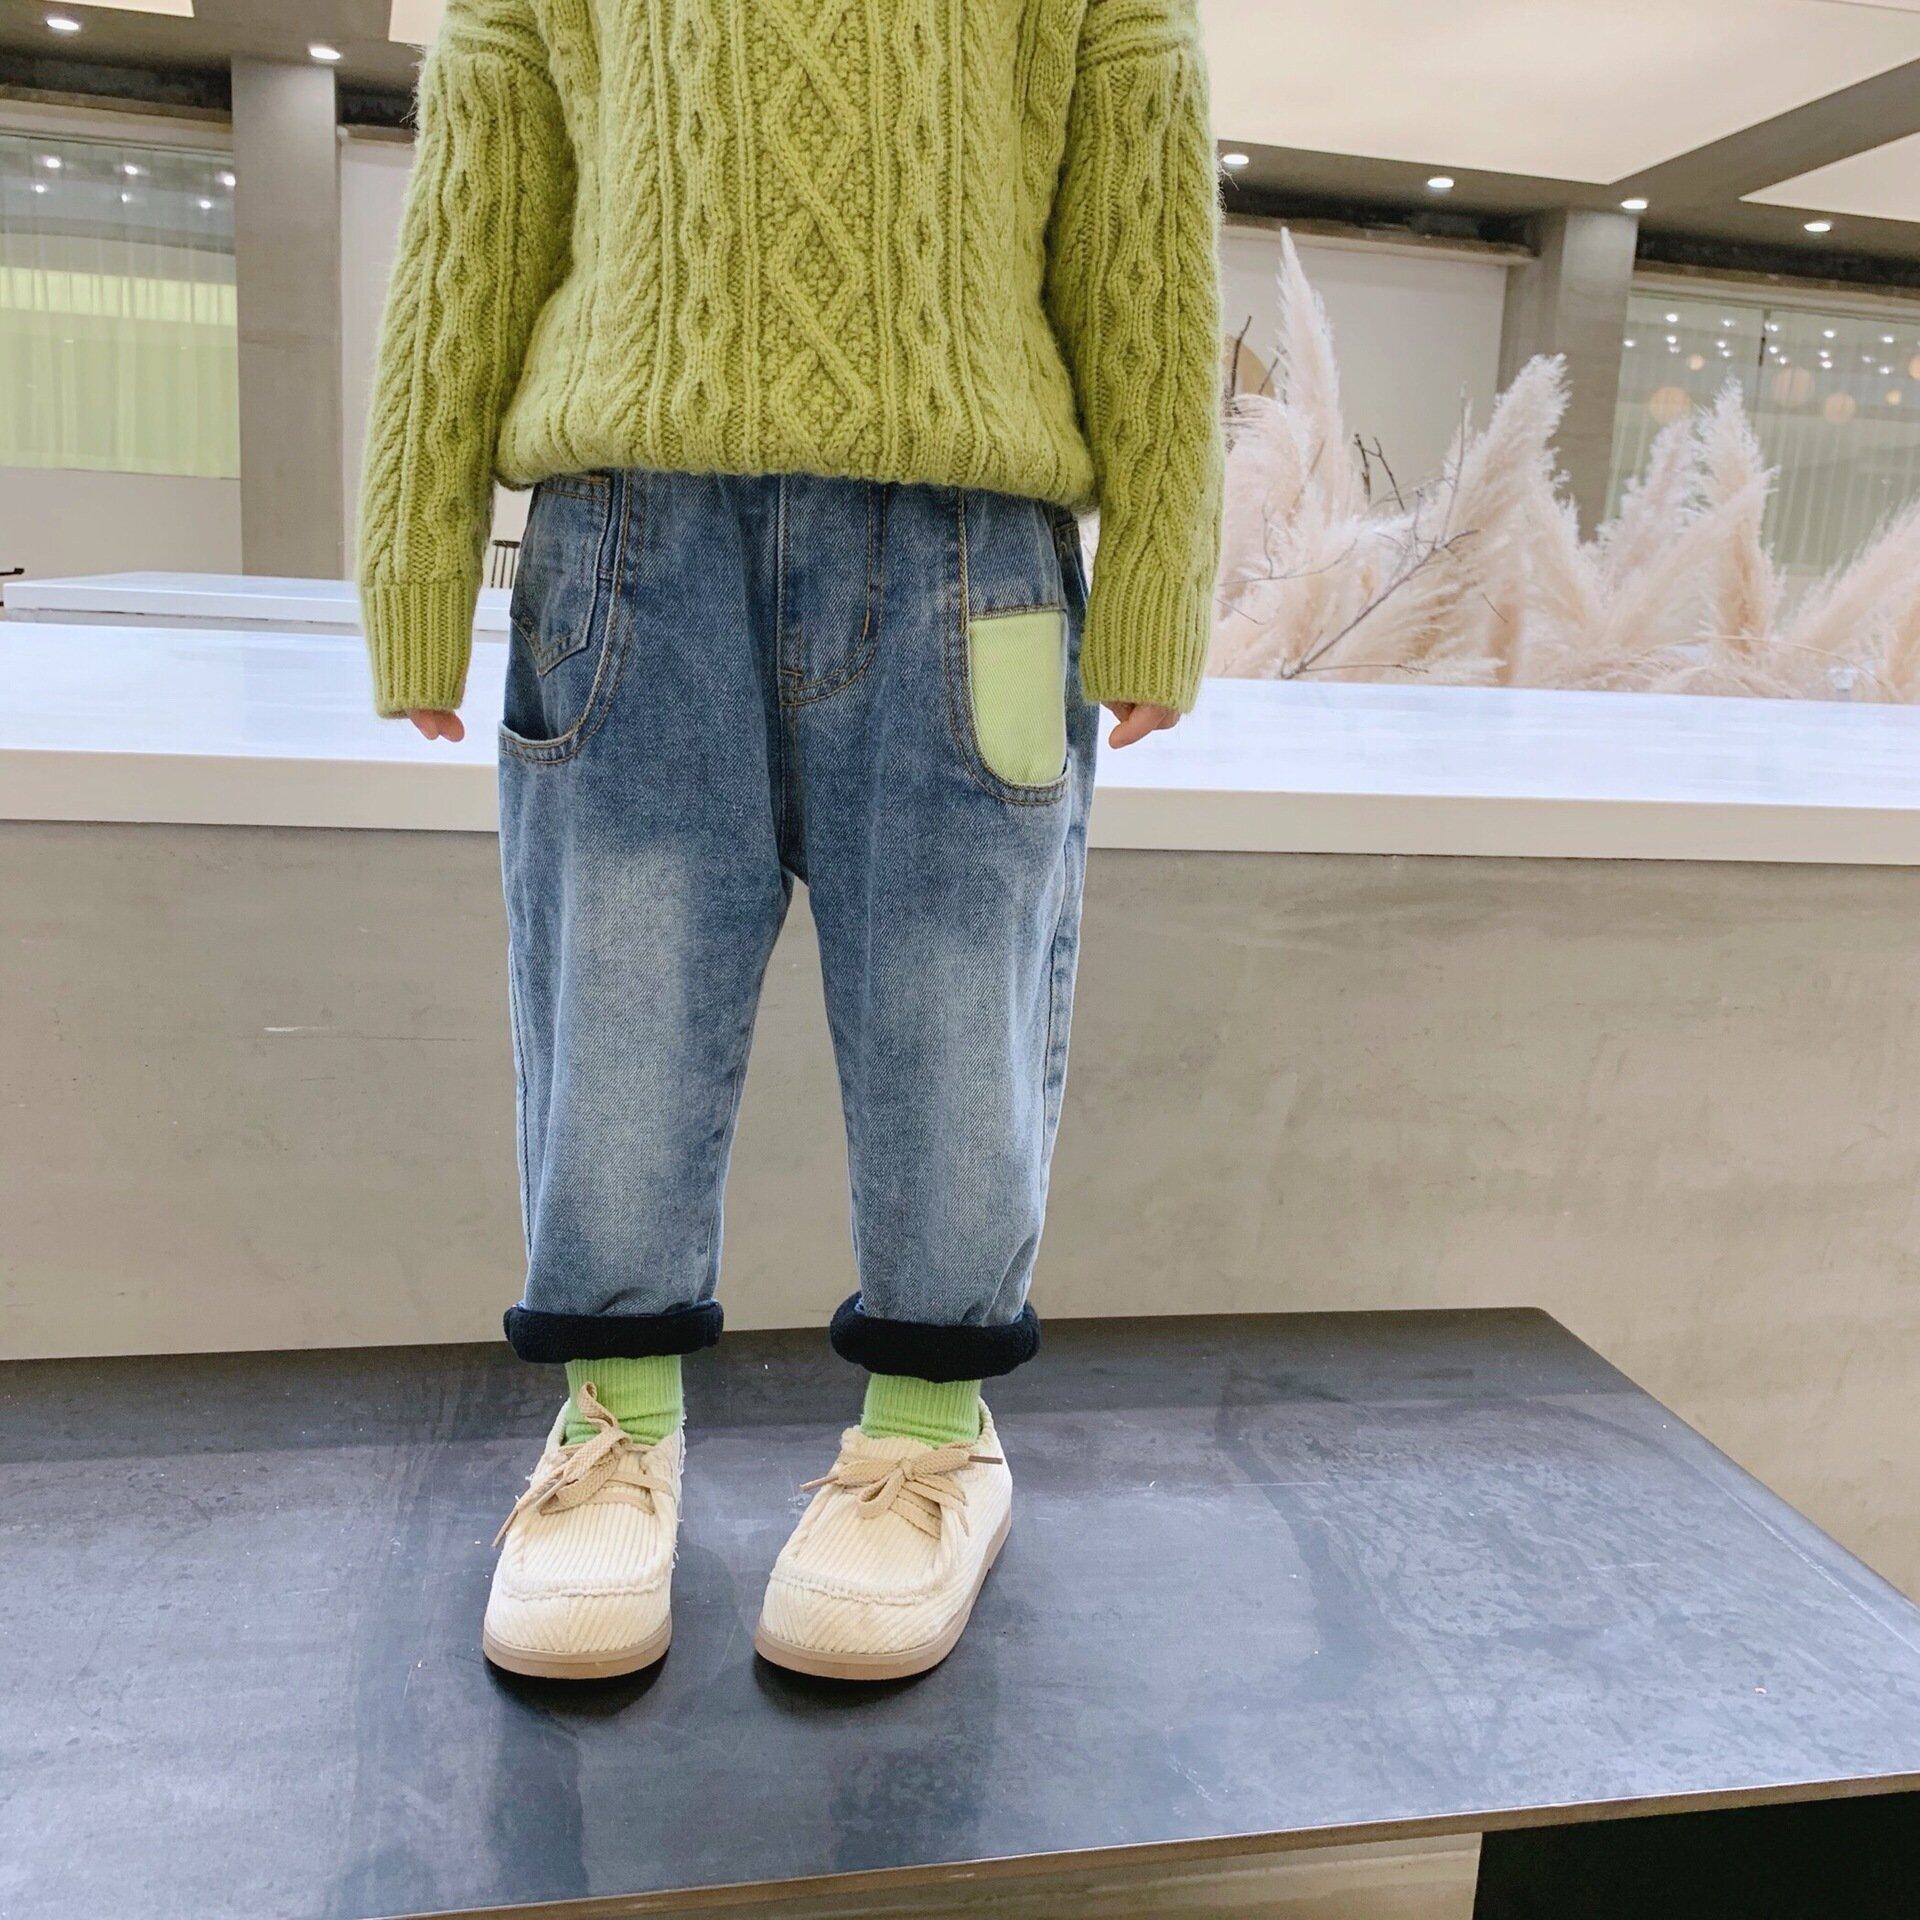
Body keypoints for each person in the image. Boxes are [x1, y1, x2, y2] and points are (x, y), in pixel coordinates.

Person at [357, 0, 1223, 1682]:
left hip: (975, 549)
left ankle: (931, 1440)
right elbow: (477, 200)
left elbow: (1145, 226)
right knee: (614, 1008)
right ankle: (615, 1428)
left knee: (956, 1024)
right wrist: (415, 562)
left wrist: (1160, 579)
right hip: (627, 541)